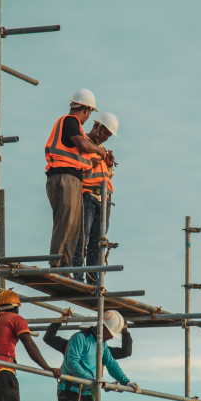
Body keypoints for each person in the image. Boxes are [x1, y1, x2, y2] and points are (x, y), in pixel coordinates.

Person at [44, 309, 133, 401]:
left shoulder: (102, 345)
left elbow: (111, 364)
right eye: (111, 333)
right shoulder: (78, 339)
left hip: (89, 395)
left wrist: (126, 382)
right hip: (72, 394)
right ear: (103, 327)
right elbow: (72, 362)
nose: (111, 337)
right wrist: (89, 379)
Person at [45, 89, 106, 277]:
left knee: (73, 226)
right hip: (63, 178)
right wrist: (100, 152)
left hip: (71, 178)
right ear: (87, 109)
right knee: (65, 223)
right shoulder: (70, 121)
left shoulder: (73, 125)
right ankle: (56, 265)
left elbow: (76, 155)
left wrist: (91, 161)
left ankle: (65, 267)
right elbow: (83, 145)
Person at [72, 113, 119, 284]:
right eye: (105, 133)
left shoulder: (102, 150)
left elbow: (107, 176)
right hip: (87, 196)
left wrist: (110, 165)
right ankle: (77, 276)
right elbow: (78, 166)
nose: (106, 137)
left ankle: (93, 280)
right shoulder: (82, 142)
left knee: (97, 244)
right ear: (97, 127)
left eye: (108, 135)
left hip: (102, 200)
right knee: (81, 239)